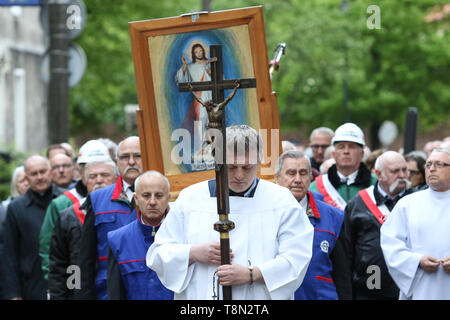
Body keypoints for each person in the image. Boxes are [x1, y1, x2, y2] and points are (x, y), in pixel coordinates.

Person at [147, 125, 314, 300]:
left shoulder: (281, 201)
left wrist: (253, 274)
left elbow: (297, 257)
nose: (239, 175)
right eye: (232, 167)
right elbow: (158, 254)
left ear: (259, 160)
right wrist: (193, 253)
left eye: (247, 167)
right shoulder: (191, 199)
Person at [334, 151, 412, 300]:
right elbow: (346, 251)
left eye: (404, 170)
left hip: (407, 284)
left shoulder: (417, 200)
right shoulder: (358, 203)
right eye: (395, 171)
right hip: (369, 287)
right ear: (379, 174)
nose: (402, 175)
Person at [78, 136, 143, 300]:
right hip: (107, 290)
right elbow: (84, 259)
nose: (131, 162)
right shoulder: (97, 199)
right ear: (116, 162)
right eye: (124, 157)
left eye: (137, 156)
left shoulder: (164, 197)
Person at [380, 148, 450, 300]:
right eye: (428, 164)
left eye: (439, 164)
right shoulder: (407, 204)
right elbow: (390, 243)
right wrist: (417, 261)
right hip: (421, 286)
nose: (432, 169)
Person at [274, 150, 344, 300]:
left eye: (303, 173)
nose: (298, 179)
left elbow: (343, 272)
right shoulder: (263, 214)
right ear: (277, 178)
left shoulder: (334, 217)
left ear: (311, 177)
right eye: (291, 173)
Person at [39, 139, 111, 281]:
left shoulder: (122, 201)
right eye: (89, 168)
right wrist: (64, 288)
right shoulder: (62, 203)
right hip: (76, 278)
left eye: (103, 170)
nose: (97, 177)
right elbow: (49, 252)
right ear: (80, 170)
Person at [48, 159, 118, 299]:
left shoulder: (127, 211)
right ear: (84, 181)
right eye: (92, 176)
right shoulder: (69, 216)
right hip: (80, 287)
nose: (99, 180)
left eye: (105, 175)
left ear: (116, 179)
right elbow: (60, 266)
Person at [2, 155, 63, 300]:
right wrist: (12, 294)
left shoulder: (65, 201)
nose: (40, 177)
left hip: (66, 281)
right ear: (27, 178)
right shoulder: (16, 208)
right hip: (31, 285)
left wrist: (77, 286)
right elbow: (9, 254)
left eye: (43, 171)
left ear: (50, 172)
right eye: (34, 174)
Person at [107, 171, 173, 300]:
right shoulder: (118, 239)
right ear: (136, 199)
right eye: (146, 196)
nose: (152, 202)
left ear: (168, 198)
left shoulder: (184, 235)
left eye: (159, 196)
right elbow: (115, 294)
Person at [309, 123, 377, 210]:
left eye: (352, 147)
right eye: (341, 147)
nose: (346, 151)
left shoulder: (376, 184)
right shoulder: (316, 187)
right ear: (334, 153)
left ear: (362, 154)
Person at [175, 42, 212, 157]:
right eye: (196, 52)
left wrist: (210, 73)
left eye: (200, 51)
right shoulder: (190, 67)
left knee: (212, 120)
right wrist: (185, 66)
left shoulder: (210, 64)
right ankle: (201, 147)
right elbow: (181, 80)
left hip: (211, 94)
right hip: (199, 96)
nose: (199, 53)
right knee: (201, 118)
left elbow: (220, 79)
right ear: (193, 54)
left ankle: (211, 147)